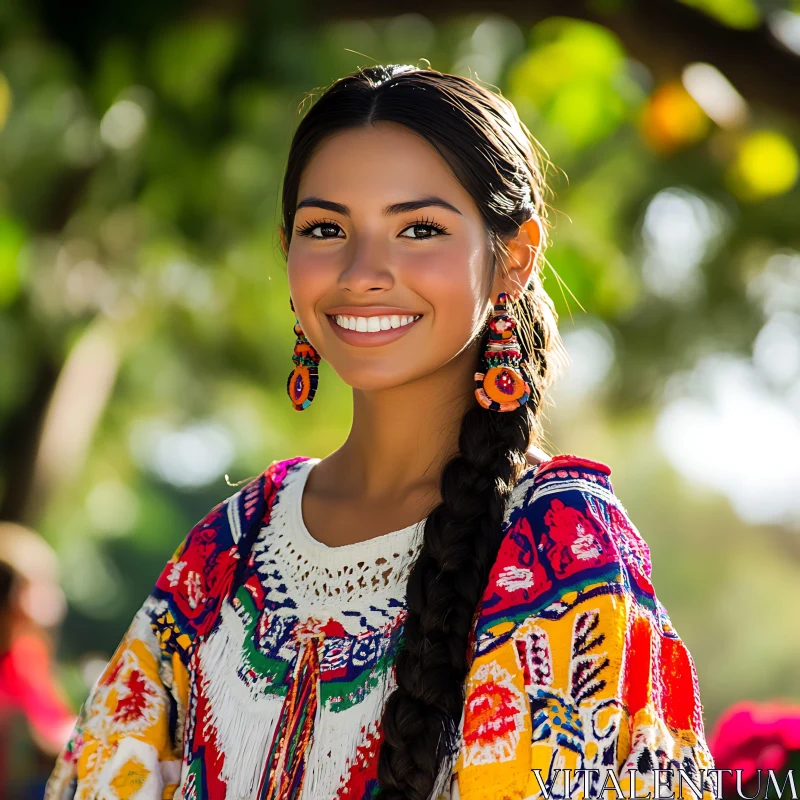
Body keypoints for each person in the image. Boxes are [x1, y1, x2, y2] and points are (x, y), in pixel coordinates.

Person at [45, 65, 716, 800]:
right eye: (326, 229)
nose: (364, 272)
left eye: (419, 229)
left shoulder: (561, 548)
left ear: (514, 258)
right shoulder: (229, 548)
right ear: (287, 250)